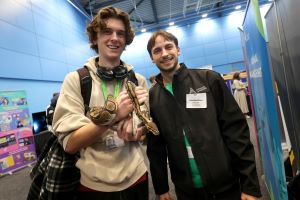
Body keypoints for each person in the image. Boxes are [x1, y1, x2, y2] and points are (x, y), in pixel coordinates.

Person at [146, 30, 262, 200]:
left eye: (168, 47)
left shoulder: (209, 79)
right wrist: (161, 187)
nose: (164, 54)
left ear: (178, 50)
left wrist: (250, 184)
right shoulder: (153, 97)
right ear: (151, 58)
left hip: (225, 185)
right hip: (186, 190)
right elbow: (156, 148)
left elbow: (237, 133)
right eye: (157, 51)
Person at [52, 6, 149, 200]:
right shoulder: (76, 80)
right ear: (95, 39)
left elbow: (144, 130)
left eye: (120, 33)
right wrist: (114, 116)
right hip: (94, 187)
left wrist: (137, 131)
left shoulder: (138, 80)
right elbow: (70, 145)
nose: (114, 38)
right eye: (107, 32)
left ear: (125, 40)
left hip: (137, 177)